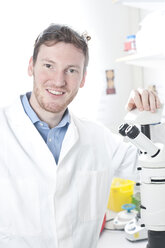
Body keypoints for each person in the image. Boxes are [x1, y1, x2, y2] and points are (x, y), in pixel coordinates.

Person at [0, 24, 160, 248]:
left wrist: (149, 117)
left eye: (71, 70)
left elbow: (155, 165)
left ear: (83, 78)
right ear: (31, 66)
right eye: (49, 65)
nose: (58, 81)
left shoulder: (99, 138)